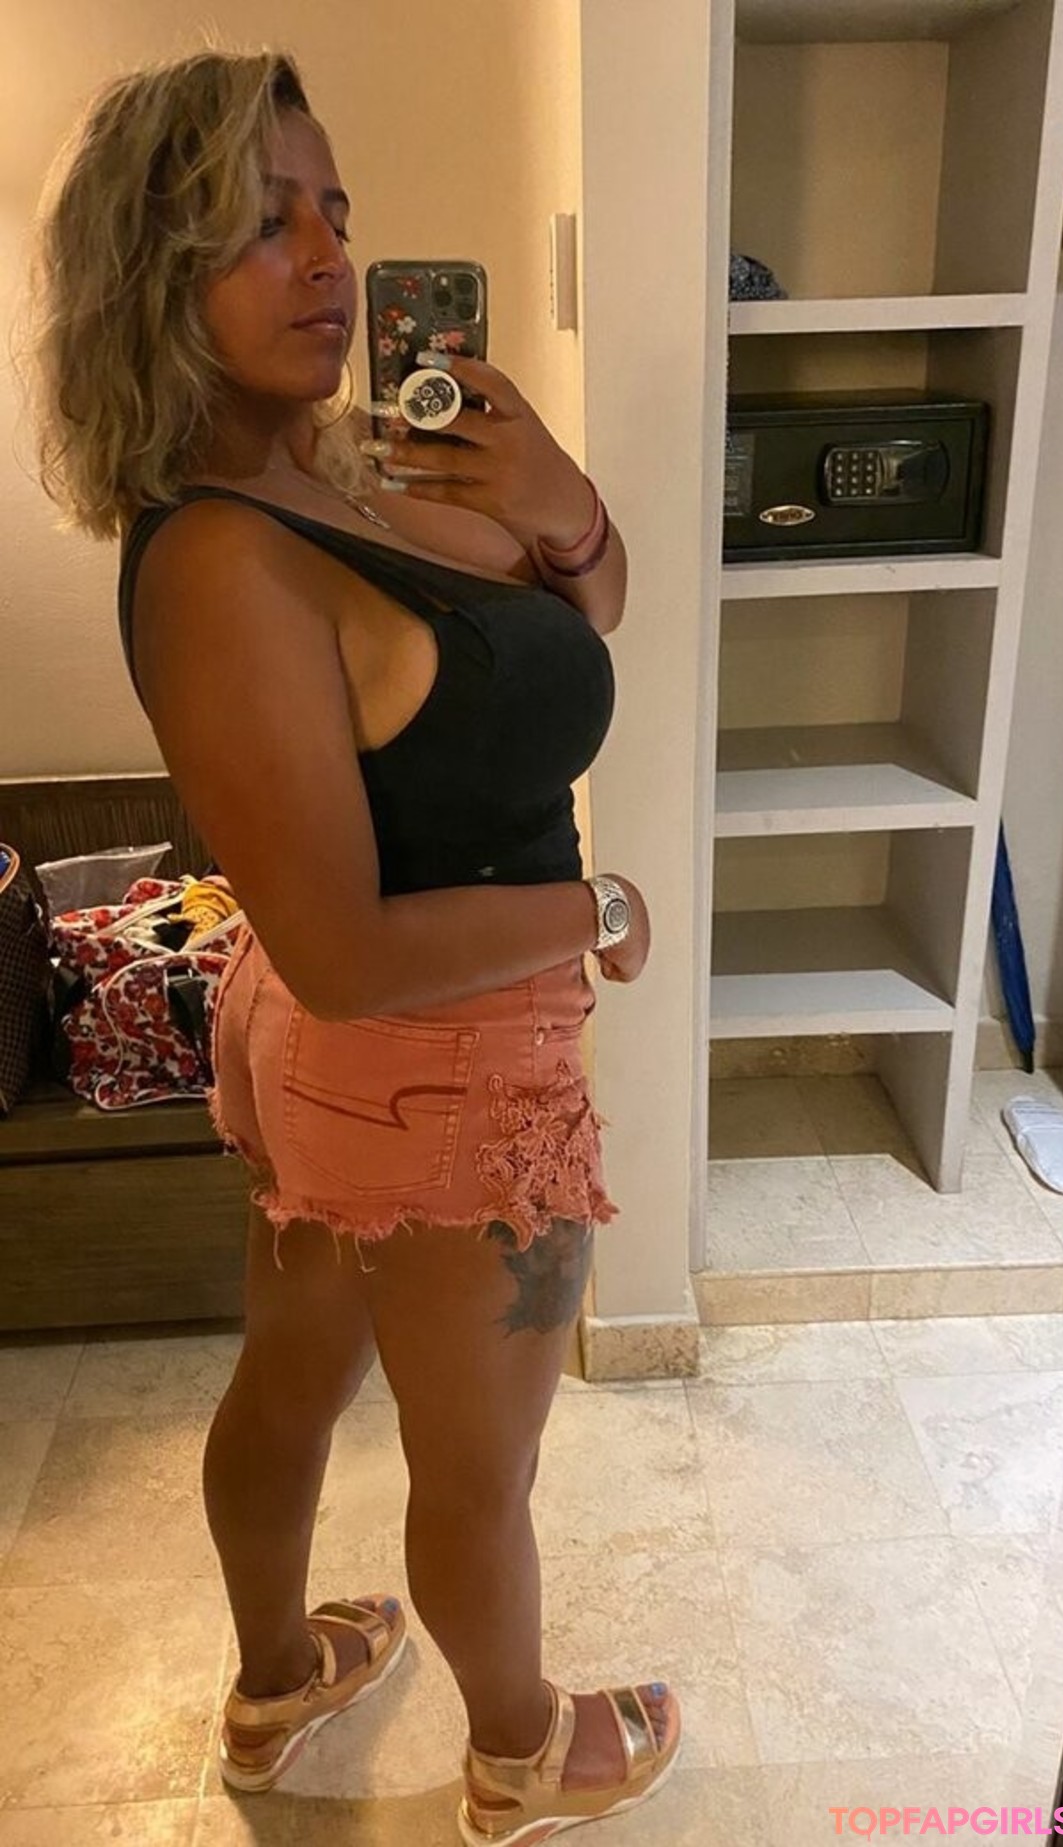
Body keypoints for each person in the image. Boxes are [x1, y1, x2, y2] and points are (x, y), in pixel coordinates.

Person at [19, 46, 681, 1844]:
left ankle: (273, 1683)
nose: (325, 256)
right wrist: (598, 912)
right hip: (435, 1057)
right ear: (150, 276)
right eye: (261, 224)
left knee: (298, 1372)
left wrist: (556, 493)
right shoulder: (220, 561)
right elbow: (345, 952)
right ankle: (525, 1755)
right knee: (482, 1463)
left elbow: (582, 619)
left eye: (332, 212)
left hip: (352, 1059)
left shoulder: (336, 468)